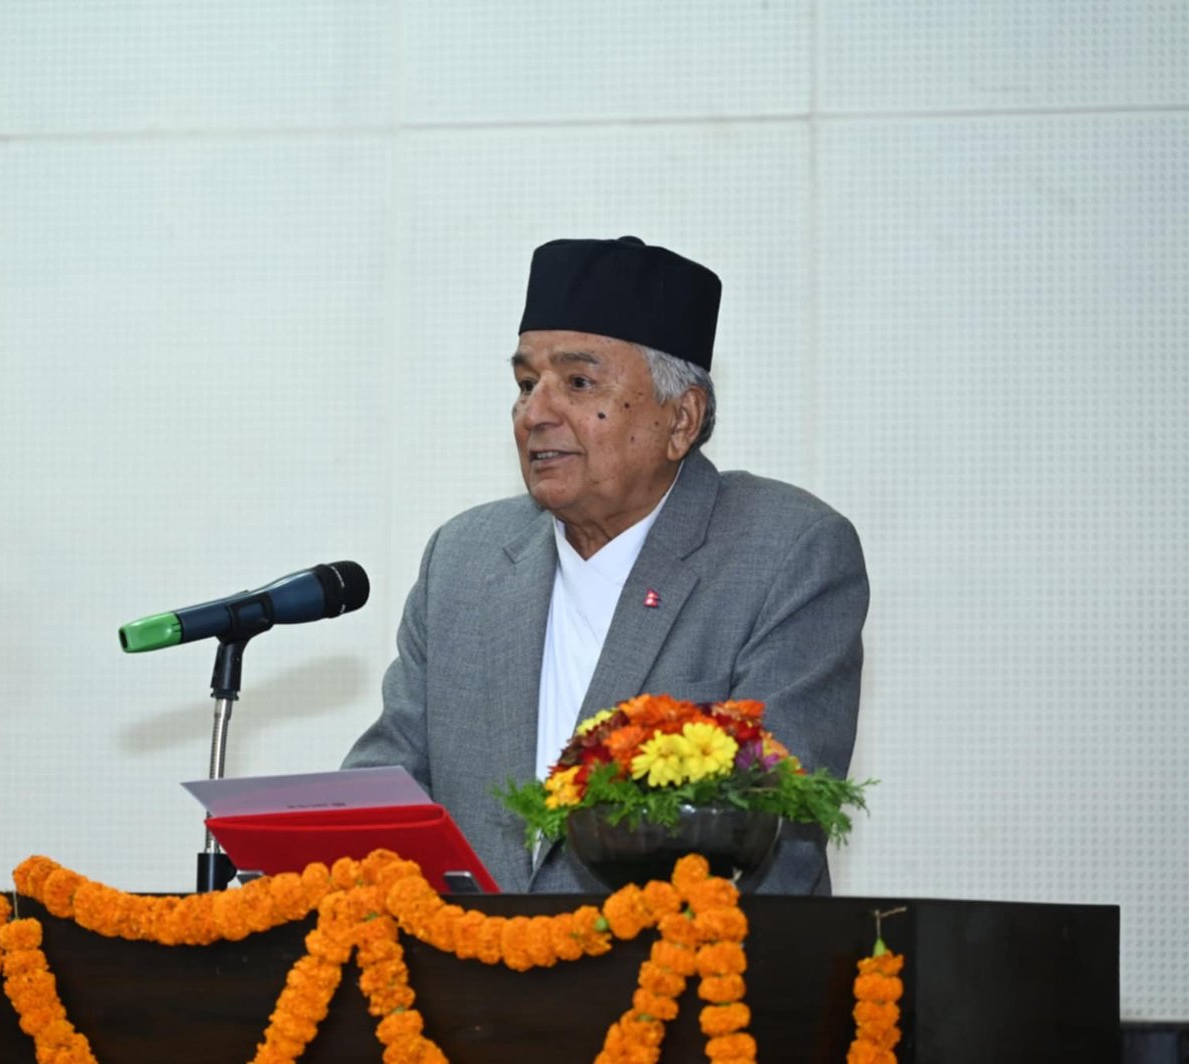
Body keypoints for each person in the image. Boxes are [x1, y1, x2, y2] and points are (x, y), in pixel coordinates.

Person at [344, 236, 868, 894]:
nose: (535, 414)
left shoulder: (785, 552)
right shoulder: (464, 559)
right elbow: (387, 787)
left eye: (578, 383)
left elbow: (777, 835)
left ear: (682, 420)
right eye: (526, 385)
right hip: (468, 957)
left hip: (680, 956)